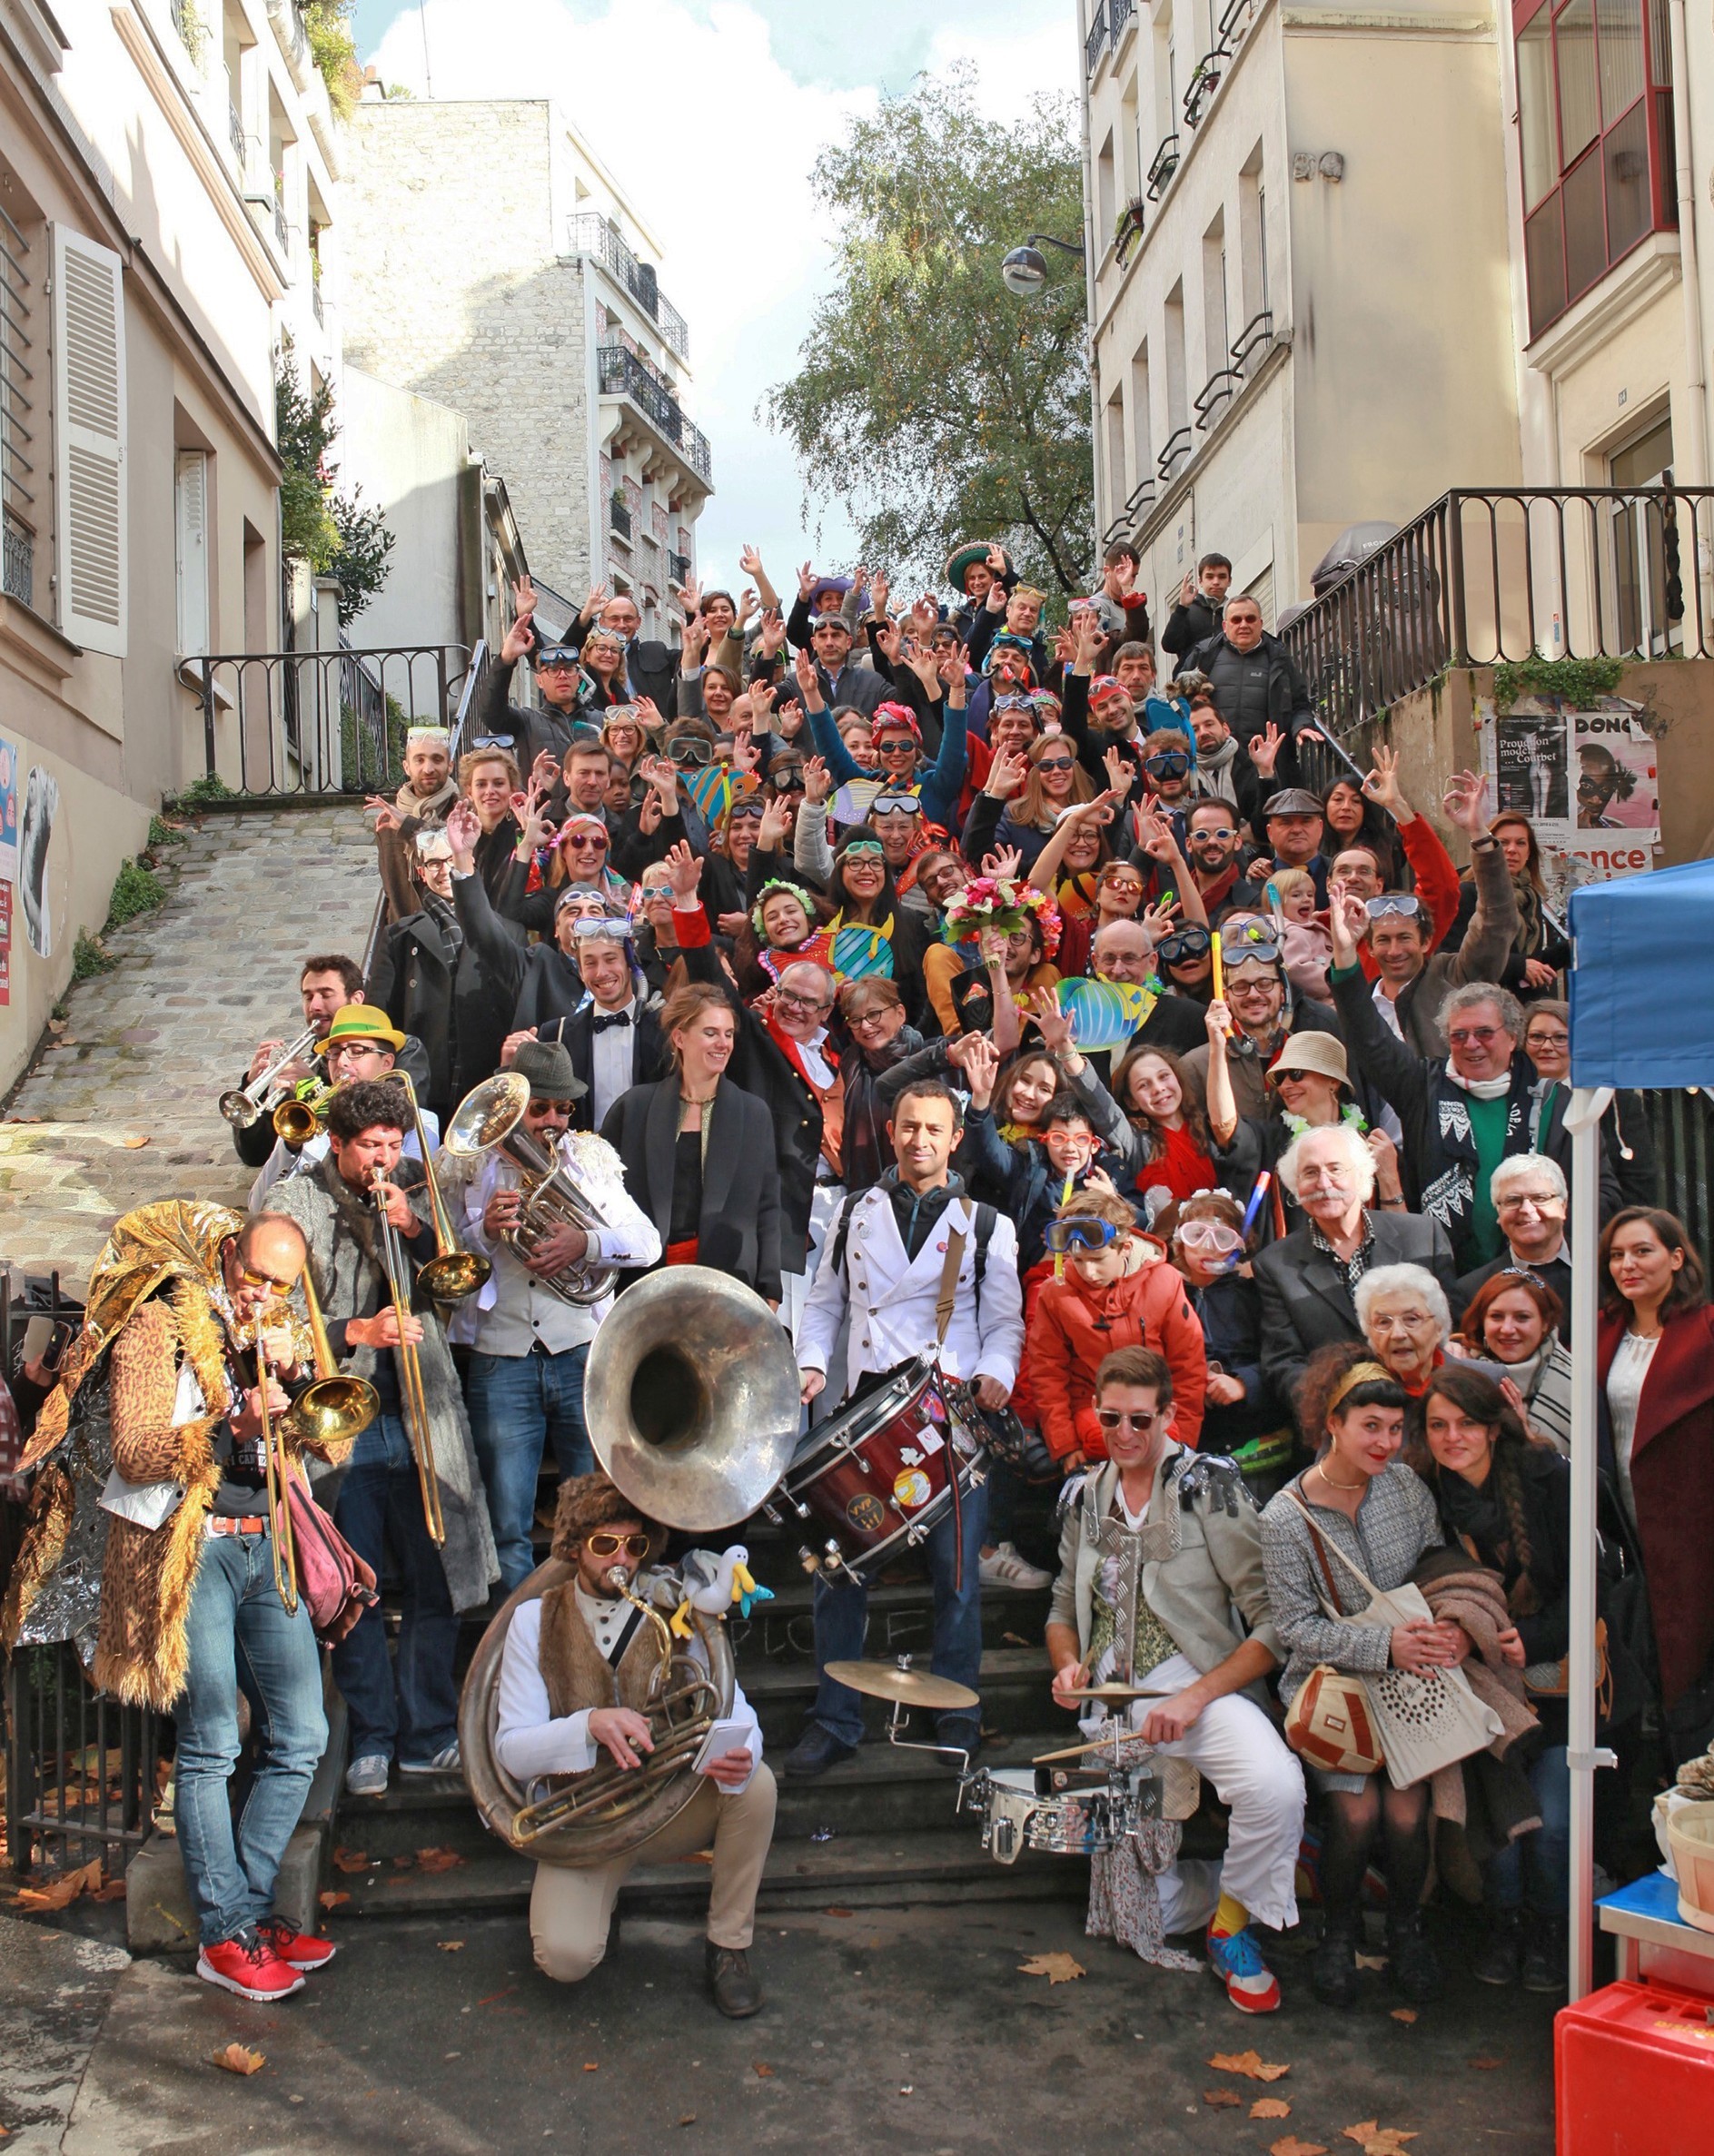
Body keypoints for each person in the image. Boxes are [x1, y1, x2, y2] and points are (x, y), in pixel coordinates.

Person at [3, 1205, 343, 2002]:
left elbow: (336, 1442)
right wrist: (231, 1420)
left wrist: (293, 1380)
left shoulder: (284, 1325)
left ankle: (249, 1909)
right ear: (229, 1256)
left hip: (272, 1546)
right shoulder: (161, 1320)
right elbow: (136, 1448)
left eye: (282, 1286)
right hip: (193, 1551)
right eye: (257, 1278)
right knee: (212, 1743)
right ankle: (223, 1933)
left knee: (303, 1734)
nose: (266, 1296)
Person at [1046, 1346, 1303, 2013]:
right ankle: (1253, 1879)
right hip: (1107, 1704)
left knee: (1272, 1785)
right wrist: (1066, 1666)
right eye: (1110, 1419)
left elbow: (1271, 1622)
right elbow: (1057, 1610)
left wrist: (1195, 1695)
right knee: (1139, 1918)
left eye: (1140, 1420)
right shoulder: (1081, 1496)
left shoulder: (1207, 1483)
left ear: (1168, 1414)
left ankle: (1231, 1927)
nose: (1125, 1435)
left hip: (1193, 1676)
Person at [265, 1080, 500, 1799]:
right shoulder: (293, 1203)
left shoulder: (414, 1190)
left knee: (437, 1580)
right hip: (344, 1427)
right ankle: (371, 1737)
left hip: (424, 1415)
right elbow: (270, 1316)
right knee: (353, 1588)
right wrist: (354, 1332)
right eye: (370, 1147)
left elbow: (461, 1292)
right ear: (336, 1144)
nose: (384, 1161)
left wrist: (414, 1229)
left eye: (394, 1147)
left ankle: (427, 1732)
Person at [788, 1079, 1025, 1775]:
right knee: (837, 1571)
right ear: (890, 1131)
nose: (918, 1139)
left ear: (955, 1138)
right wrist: (808, 1364)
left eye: (932, 1129)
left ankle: (956, 1713)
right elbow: (826, 1304)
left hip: (946, 1412)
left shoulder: (986, 1225)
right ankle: (834, 1718)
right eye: (907, 1127)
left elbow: (1004, 1322)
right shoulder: (853, 1212)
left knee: (955, 1579)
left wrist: (996, 1376)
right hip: (863, 1404)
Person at [494, 1474, 775, 2014]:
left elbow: (735, 1704)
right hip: (586, 1818)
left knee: (756, 1786)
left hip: (669, 1805)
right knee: (565, 1960)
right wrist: (587, 1724)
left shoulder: (673, 1606)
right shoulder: (533, 1620)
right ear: (575, 1546)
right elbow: (510, 1749)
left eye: (635, 1545)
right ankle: (606, 1898)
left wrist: (745, 1750)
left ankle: (729, 1946)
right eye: (605, 1545)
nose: (622, 1559)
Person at [1260, 1343, 1451, 2005]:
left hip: (1407, 1678)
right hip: (1330, 1685)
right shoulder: (1287, 1515)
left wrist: (1441, 1624)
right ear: (1332, 1424)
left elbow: (1434, 1567)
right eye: (1370, 1426)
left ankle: (1405, 1929)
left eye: (1396, 1429)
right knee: (1355, 1810)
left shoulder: (1404, 1486)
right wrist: (1382, 1647)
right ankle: (1338, 1933)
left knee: (1405, 1811)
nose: (1386, 1442)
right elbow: (1294, 1632)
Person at [439, 1038, 661, 1593]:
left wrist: (583, 1242)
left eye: (563, 1109)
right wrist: (483, 1233)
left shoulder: (590, 1160)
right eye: (540, 1108)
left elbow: (647, 1242)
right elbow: (444, 1264)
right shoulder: (465, 1169)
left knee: (598, 1514)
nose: (552, 1120)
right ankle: (520, 1638)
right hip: (501, 1356)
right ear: (513, 1109)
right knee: (508, 1521)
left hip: (581, 1353)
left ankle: (591, 1624)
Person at [1327, 888, 1615, 1271]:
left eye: (1484, 1033)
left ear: (1512, 1038)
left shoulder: (1555, 1102)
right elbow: (1369, 1038)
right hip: (1447, 1275)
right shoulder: (1423, 1087)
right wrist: (1346, 955)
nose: (1472, 1045)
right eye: (1459, 1036)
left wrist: (1544, 1234)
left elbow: (1604, 1193)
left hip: (1542, 1276)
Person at [1412, 1365, 1570, 1990]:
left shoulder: (1546, 1477)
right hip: (1482, 1685)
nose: (1453, 1438)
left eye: (1467, 1425)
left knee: (1551, 1823)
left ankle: (1551, 1933)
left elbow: (1599, 1588)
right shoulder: (1428, 1496)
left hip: (1559, 1685)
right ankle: (1505, 1929)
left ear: (1493, 1427)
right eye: (1438, 1426)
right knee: (1500, 1822)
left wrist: (1535, 1637)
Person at [1598, 1208, 1714, 1757]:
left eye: (1642, 1251)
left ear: (1675, 1257)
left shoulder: (1707, 1329)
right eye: (1617, 1255)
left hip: (1694, 1529)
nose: (1627, 1264)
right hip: (1623, 1527)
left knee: (1692, 1669)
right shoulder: (1601, 1329)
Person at [1253, 1123, 1461, 1413]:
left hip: (1432, 1409)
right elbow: (1284, 1363)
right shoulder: (1275, 1265)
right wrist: (1341, 1408)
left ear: (1362, 1174)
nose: (1323, 1184)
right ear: (1295, 1185)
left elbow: (1454, 1328)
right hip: (1342, 1421)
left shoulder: (1422, 1236)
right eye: (1310, 1173)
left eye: (1335, 1169)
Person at [599, 984, 782, 1300]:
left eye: (728, 1034)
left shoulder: (754, 1114)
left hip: (728, 1287)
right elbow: (600, 1194)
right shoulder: (634, 1108)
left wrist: (770, 1291)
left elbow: (767, 1208)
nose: (723, 1043)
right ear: (680, 1038)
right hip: (644, 1284)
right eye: (710, 1032)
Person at [1339, 770, 1520, 1059]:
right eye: (1384, 940)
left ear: (1426, 942)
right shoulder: (1348, 985)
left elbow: (1495, 922)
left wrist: (1479, 835)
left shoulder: (1449, 979)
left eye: (1405, 938)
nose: (1395, 950)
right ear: (1370, 948)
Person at [1027, 1186, 1207, 1466]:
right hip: (1093, 1415)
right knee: (1107, 1437)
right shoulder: (1055, 1294)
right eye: (1078, 1261)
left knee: (1156, 1436)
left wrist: (1184, 1443)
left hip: (1157, 1411)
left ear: (1125, 1248)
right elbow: (1047, 1373)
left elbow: (1188, 1368)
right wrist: (1064, 1445)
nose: (1088, 1272)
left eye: (1098, 1260)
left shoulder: (1165, 1282)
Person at [247, 1004, 436, 1208]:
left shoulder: (422, 1121)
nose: (342, 1062)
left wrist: (350, 1119)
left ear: (387, 1063)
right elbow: (258, 1205)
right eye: (334, 1053)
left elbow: (415, 1197)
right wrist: (291, 1146)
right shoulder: (310, 1117)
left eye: (357, 1051)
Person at [229, 954, 364, 1170]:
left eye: (326, 995)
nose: (315, 1006)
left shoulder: (392, 1050)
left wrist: (314, 1088)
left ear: (356, 999)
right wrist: (254, 1087)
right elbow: (255, 1155)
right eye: (308, 997)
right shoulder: (305, 1063)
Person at [1520, 998, 1658, 1211]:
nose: (1547, 1046)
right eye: (1537, 1037)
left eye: (1560, 1038)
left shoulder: (1618, 1104)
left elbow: (1638, 1187)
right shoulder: (1510, 1099)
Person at [1168, 1192, 1278, 1454]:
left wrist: (1244, 1383)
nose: (1208, 1247)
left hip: (1248, 1428)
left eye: (1222, 1238)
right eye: (1196, 1235)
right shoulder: (1168, 1293)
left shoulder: (1255, 1293)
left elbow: (1279, 1356)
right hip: (1184, 1426)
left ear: (1239, 1245)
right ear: (1180, 1242)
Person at [1454, 1269, 1573, 1454]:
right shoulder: (1458, 1372)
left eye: (1522, 1317)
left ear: (1545, 1323)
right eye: (1496, 1317)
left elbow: (1600, 1478)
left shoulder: (1578, 1384)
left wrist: (1528, 1439)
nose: (1507, 1329)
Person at [1456, 1156, 1574, 1339]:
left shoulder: (1604, 1266)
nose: (1527, 1209)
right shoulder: (1472, 1290)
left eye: (1540, 1198)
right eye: (1512, 1200)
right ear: (1498, 1212)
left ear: (1563, 1205)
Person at [1183, 593, 1317, 750]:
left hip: (1267, 760)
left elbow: (1300, 705)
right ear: (1225, 626)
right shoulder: (1203, 655)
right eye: (1236, 620)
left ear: (1260, 623)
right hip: (1215, 760)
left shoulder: (1280, 659)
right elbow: (1177, 699)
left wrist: (1302, 727)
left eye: (1250, 619)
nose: (1244, 625)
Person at [1352, 1263, 1459, 1399]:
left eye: (1411, 1319)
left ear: (1439, 1327)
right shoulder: (1357, 1397)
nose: (1397, 1334)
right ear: (1368, 1333)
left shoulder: (1487, 1379)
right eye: (1384, 1322)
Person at [1161, 552, 1232, 660]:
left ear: (1229, 581)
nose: (1216, 582)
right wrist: (1181, 608)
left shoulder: (1235, 613)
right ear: (1200, 581)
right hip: (1193, 674)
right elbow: (1169, 645)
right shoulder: (1187, 611)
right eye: (1210, 577)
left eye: (1222, 577)